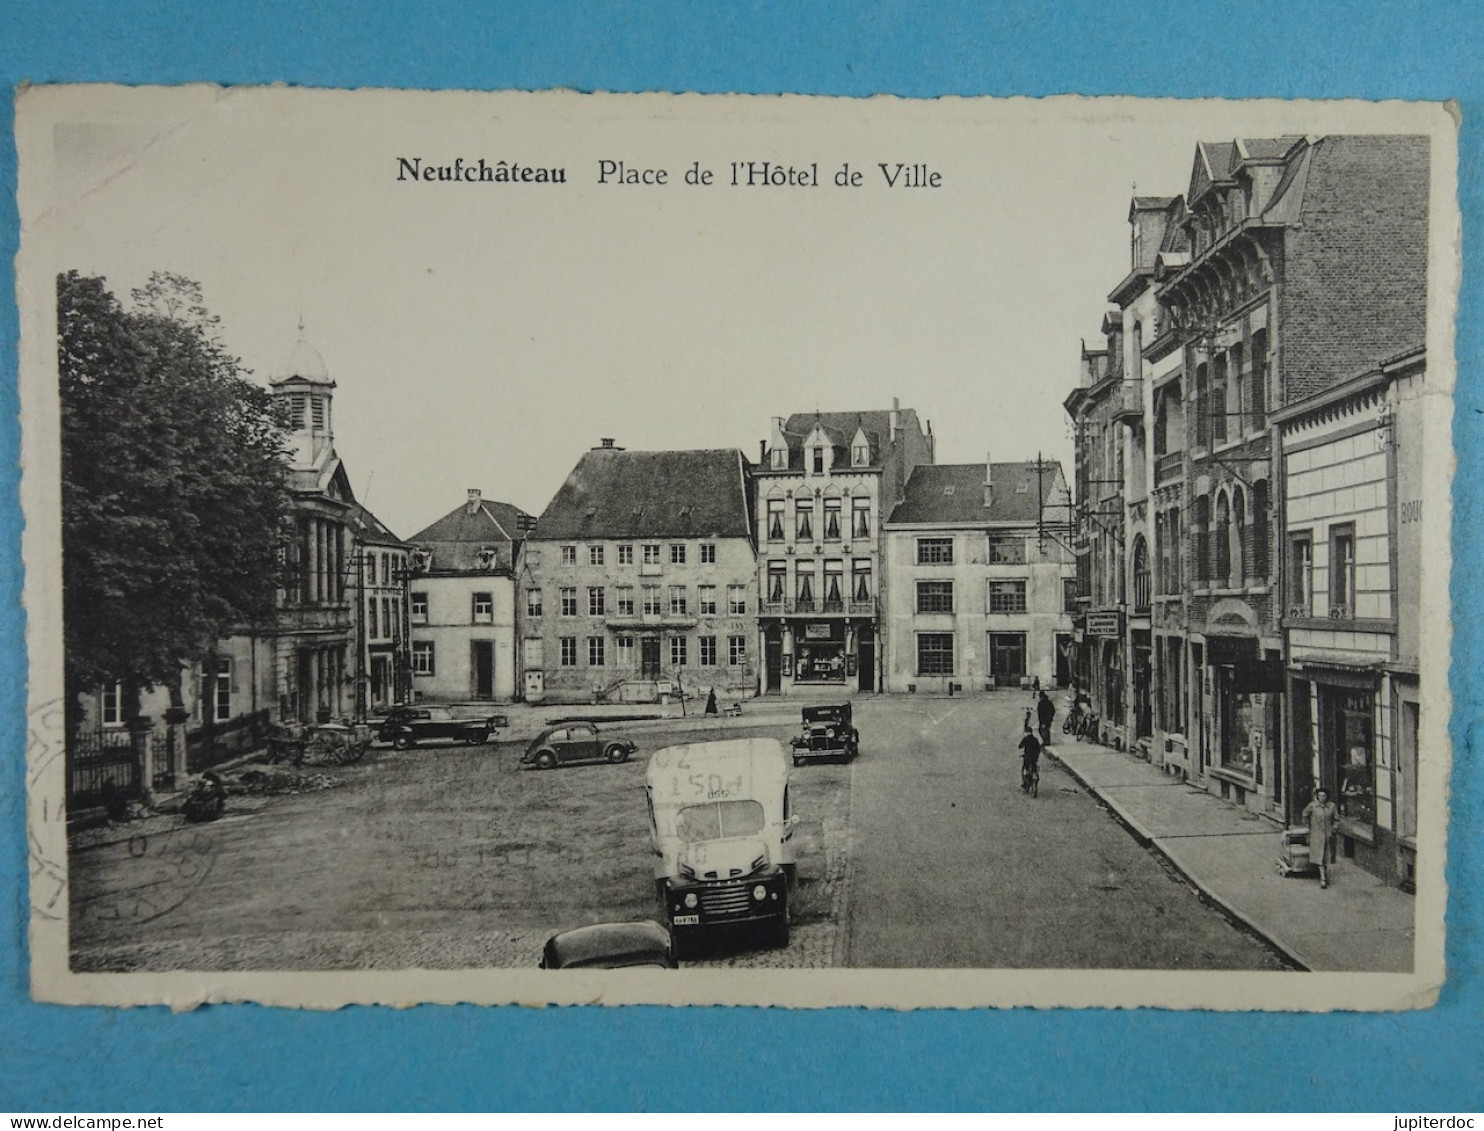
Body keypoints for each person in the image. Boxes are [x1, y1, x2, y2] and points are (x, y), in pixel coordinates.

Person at [1302, 787, 1340, 888]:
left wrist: (1334, 829)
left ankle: (1323, 873)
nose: (1322, 798)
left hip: (1328, 835)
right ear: (1317, 796)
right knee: (1319, 856)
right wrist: (1309, 826)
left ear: (1327, 796)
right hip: (1316, 835)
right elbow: (1304, 814)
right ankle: (1323, 878)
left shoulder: (1332, 806)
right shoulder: (1313, 806)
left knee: (1326, 856)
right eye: (1320, 796)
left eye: (1324, 795)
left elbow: (1336, 819)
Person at [1017, 725, 1042, 793]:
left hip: (1027, 757)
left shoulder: (1026, 739)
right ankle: (1035, 775)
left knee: (1025, 769)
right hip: (1034, 758)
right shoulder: (1035, 739)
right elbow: (1039, 748)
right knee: (1034, 766)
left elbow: (1020, 746)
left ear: (1026, 732)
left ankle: (1025, 783)